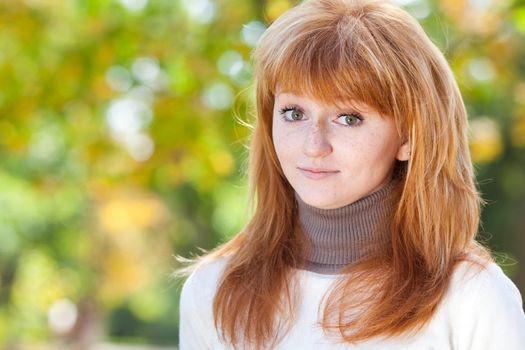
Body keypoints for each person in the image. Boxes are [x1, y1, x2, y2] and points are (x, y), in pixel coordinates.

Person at [176, 0, 525, 349]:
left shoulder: (471, 298)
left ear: (408, 137)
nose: (314, 145)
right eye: (294, 113)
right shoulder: (212, 291)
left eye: (349, 118)